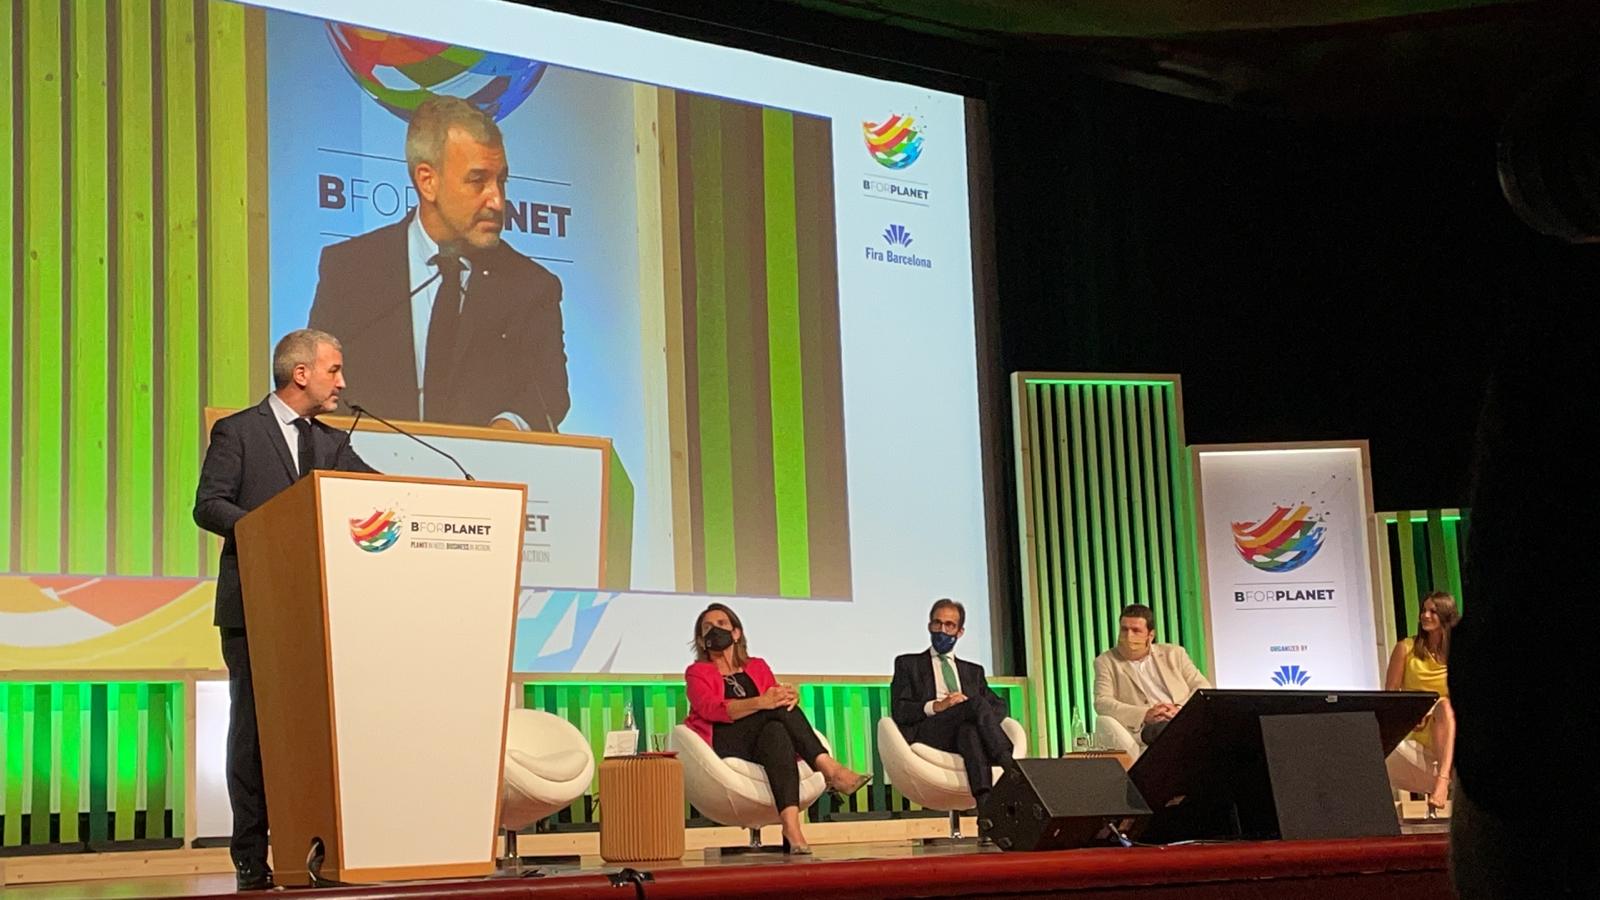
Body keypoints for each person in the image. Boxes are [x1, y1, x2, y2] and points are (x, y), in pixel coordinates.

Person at [192, 329, 377, 890]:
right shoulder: (239, 432)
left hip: (317, 611)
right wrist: (269, 530)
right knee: (253, 734)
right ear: (301, 374)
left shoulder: (333, 444)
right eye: (333, 370)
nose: (342, 382)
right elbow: (209, 505)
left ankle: (315, 850)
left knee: (315, 735)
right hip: (254, 606)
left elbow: (377, 493)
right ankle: (251, 858)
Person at [308, 95, 569, 432]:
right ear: (427, 181)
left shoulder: (531, 287)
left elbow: (550, 391)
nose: (497, 200)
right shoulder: (350, 270)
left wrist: (507, 429)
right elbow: (316, 384)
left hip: (483, 464)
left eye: (501, 181)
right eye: (477, 180)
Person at [683, 603, 870, 854]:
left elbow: (774, 698)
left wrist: (789, 697)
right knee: (776, 711)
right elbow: (710, 709)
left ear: (736, 633)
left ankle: (791, 828)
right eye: (707, 628)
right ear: (701, 640)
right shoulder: (697, 672)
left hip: (761, 738)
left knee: (776, 731)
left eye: (721, 624)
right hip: (724, 738)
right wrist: (763, 702)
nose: (714, 630)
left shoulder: (757, 666)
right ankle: (830, 769)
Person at [889, 598, 1016, 809]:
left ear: (960, 632)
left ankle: (986, 810)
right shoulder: (908, 664)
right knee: (976, 705)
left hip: (961, 732)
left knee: (969, 732)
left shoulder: (973, 672)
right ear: (929, 626)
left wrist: (970, 712)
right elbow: (900, 710)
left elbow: (999, 706)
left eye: (949, 625)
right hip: (930, 731)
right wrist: (937, 706)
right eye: (937, 623)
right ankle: (1009, 764)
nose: (942, 630)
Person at [1092, 603, 1211, 751]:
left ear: (1150, 635)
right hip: (1147, 726)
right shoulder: (1106, 661)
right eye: (1124, 629)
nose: (1129, 636)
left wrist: (1179, 709)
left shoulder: (1174, 654)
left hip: (1182, 717)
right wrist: (1145, 714)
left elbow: (1202, 687)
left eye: (1136, 630)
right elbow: (1102, 702)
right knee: (1167, 731)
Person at [1383, 591, 1459, 811]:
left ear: (1446, 615)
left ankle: (1442, 781)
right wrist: (1411, 713)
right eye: (1423, 610)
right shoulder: (1406, 648)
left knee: (1445, 706)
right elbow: (1391, 697)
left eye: (1433, 611)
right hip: (1415, 727)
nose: (1425, 615)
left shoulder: (1457, 654)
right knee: (1443, 706)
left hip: (1447, 727)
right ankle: (1443, 782)